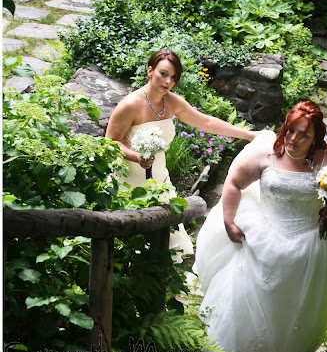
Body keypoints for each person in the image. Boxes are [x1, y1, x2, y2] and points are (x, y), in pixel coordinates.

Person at [194, 100, 327, 352]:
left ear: (317, 137)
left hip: (310, 244)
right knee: (245, 297)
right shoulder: (267, 152)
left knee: (296, 307)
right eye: (291, 131)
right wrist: (229, 221)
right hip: (264, 237)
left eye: (304, 134)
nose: (294, 139)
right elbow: (234, 183)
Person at [105, 49, 257, 262]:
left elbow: (206, 122)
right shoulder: (130, 105)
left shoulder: (172, 102)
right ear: (150, 71)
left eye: (174, 77)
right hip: (129, 182)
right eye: (163, 74)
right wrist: (135, 156)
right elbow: (111, 142)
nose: (168, 82)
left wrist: (248, 135)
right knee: (130, 249)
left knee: (164, 251)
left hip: (159, 181)